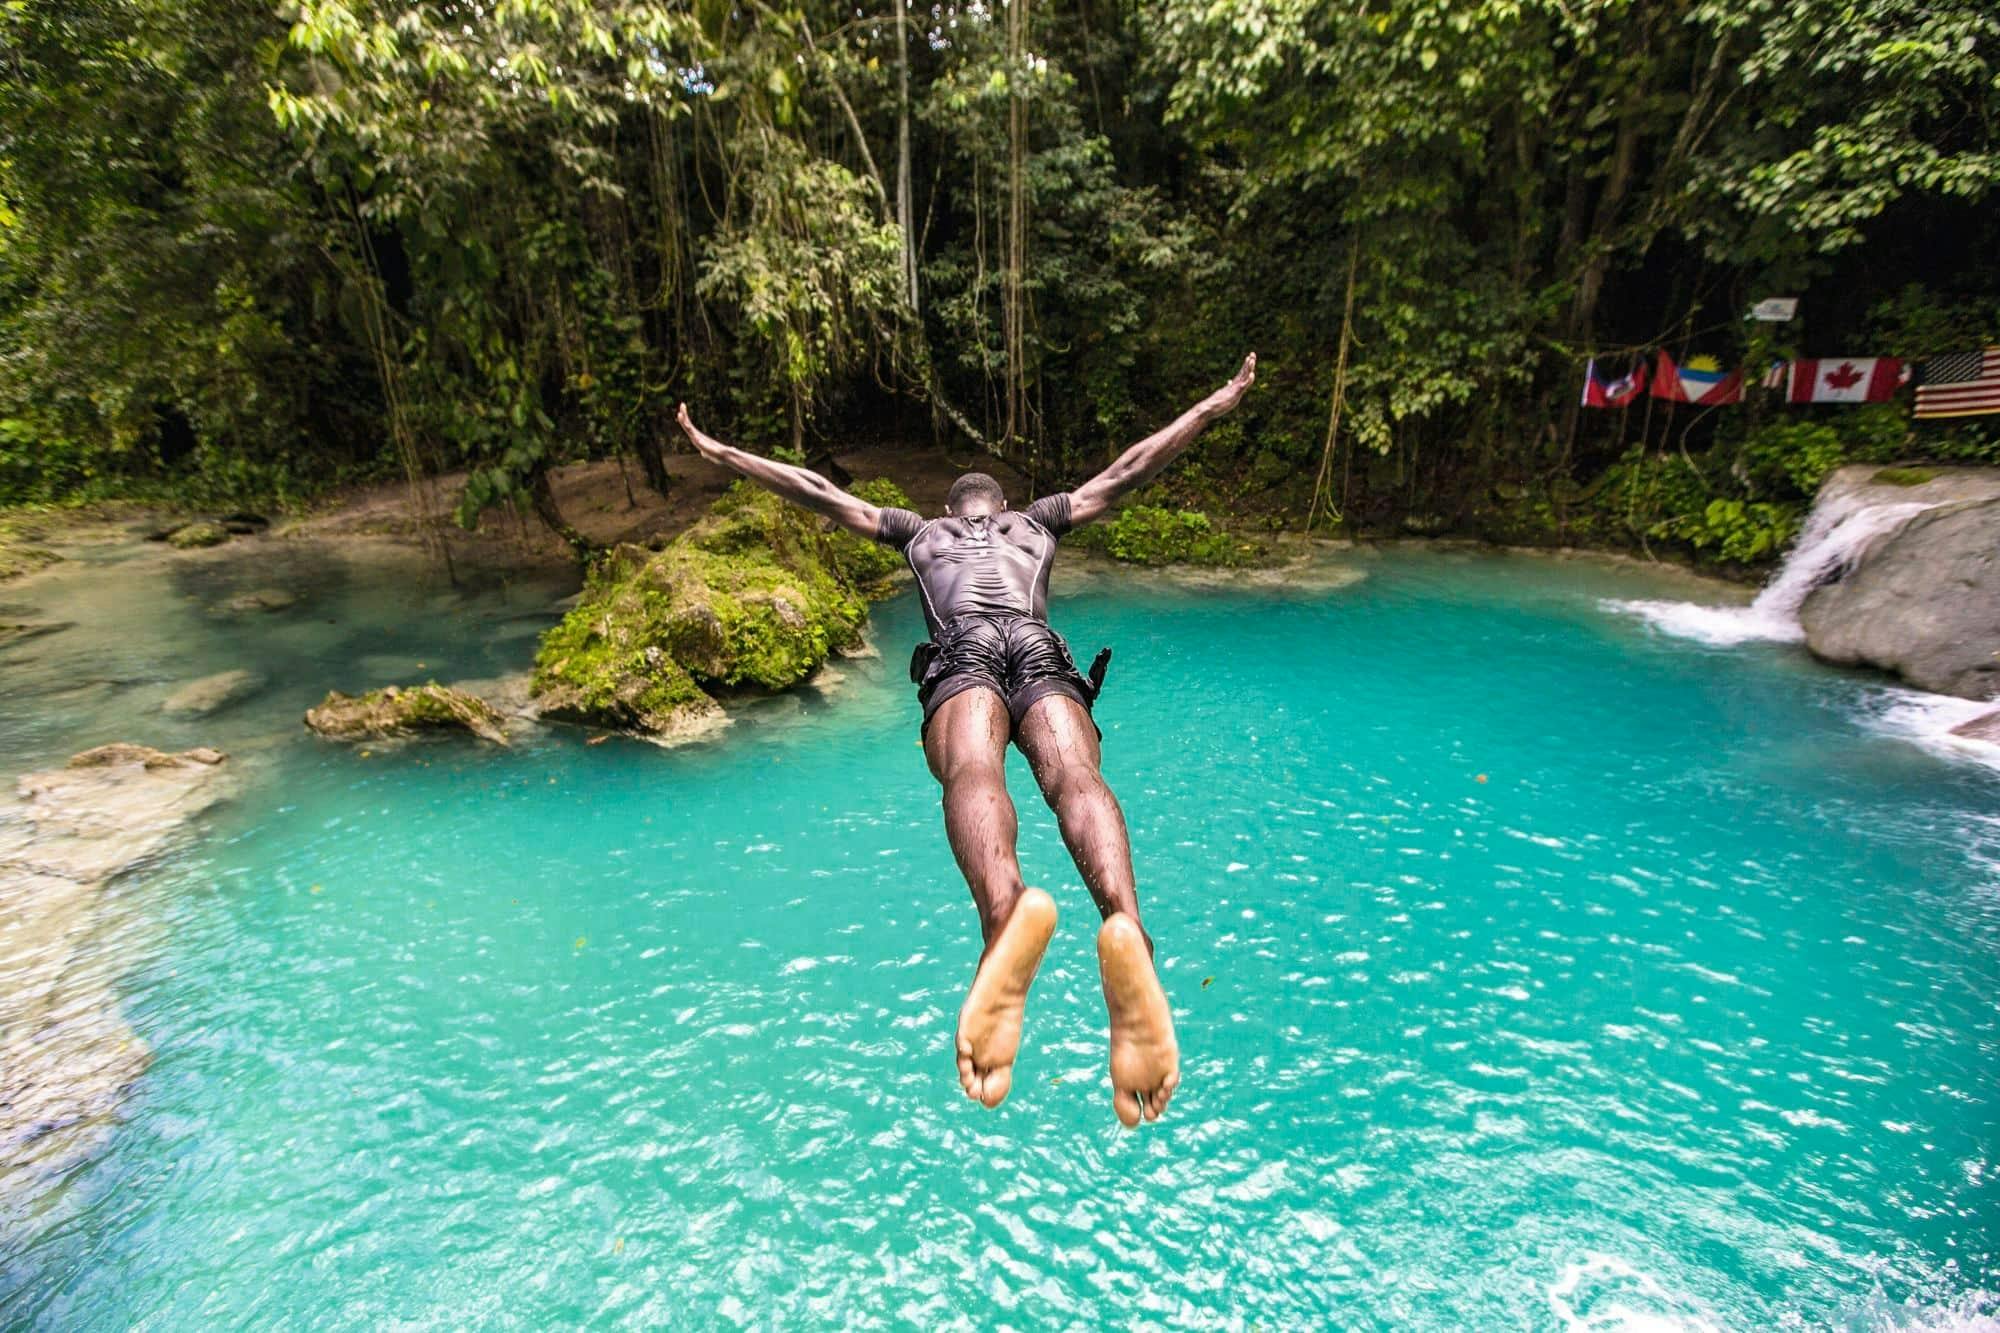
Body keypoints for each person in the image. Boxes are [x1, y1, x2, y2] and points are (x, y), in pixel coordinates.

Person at [675, 353, 1256, 1126]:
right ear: (1002, 504)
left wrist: (721, 451)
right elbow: (1130, 468)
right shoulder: (1036, 522)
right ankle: (1128, 929)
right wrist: (1216, 402)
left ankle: (1005, 914)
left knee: (973, 767)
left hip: (965, 649)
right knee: (1076, 775)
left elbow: (816, 490)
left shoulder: (920, 534)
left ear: (951, 510)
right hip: (1038, 645)